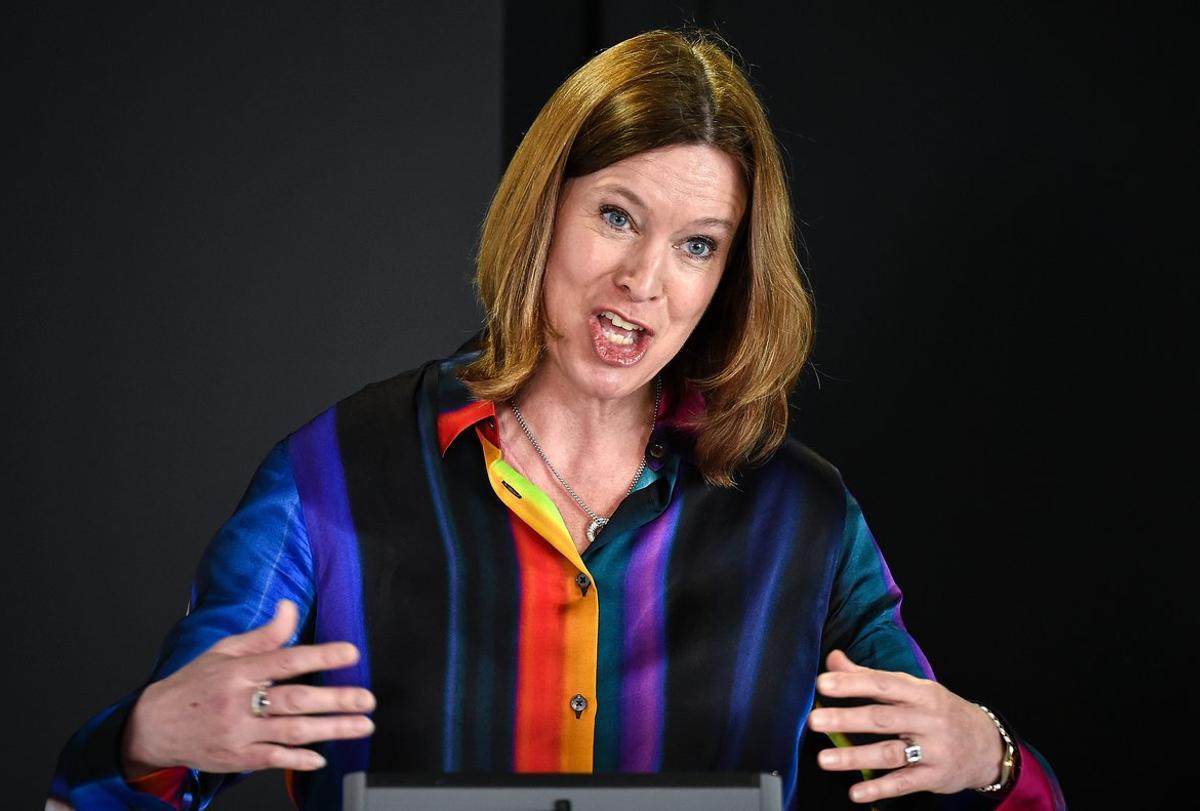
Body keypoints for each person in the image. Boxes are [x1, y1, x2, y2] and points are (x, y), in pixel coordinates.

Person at [51, 28, 1065, 810]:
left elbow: (945, 777)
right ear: (545, 209)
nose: (643, 280)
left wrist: (992, 758)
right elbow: (111, 790)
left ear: (731, 277)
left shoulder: (806, 518)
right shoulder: (328, 479)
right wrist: (145, 738)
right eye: (617, 215)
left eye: (698, 245)